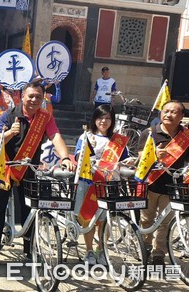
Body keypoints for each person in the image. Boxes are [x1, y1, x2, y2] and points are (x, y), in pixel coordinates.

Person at [0, 79, 75, 268]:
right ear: (22, 97)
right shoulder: (8, 115)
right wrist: (9, 133)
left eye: (38, 97)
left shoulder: (45, 117)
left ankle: (30, 250)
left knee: (31, 210)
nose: (34, 100)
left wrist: (66, 158)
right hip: (6, 168)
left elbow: (55, 136)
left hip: (29, 169)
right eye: (30, 96)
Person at [74, 105, 129, 266]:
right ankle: (89, 250)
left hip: (109, 183)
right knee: (88, 217)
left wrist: (128, 163)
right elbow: (78, 156)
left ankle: (101, 249)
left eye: (107, 118)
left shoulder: (117, 141)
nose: (103, 121)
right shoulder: (86, 137)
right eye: (100, 118)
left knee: (105, 220)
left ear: (112, 120)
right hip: (89, 181)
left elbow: (124, 159)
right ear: (94, 119)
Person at [138, 100, 189, 266]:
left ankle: (159, 253)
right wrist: (153, 155)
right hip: (152, 183)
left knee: (165, 221)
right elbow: (141, 157)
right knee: (147, 219)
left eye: (174, 112)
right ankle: (144, 247)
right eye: (166, 111)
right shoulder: (150, 132)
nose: (168, 115)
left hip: (173, 185)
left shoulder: (186, 137)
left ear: (181, 116)